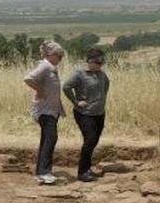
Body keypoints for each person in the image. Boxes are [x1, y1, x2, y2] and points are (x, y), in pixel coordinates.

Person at [62, 47, 110, 182]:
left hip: (99, 113)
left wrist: (99, 102)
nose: (100, 65)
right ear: (89, 61)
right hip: (84, 114)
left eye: (102, 62)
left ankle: (88, 168)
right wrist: (76, 102)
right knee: (90, 139)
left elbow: (105, 88)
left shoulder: (102, 75)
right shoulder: (80, 74)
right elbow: (66, 87)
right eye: (98, 62)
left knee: (94, 140)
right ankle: (82, 172)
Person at [23, 41, 66, 184]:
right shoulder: (45, 66)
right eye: (59, 55)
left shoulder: (52, 68)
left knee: (47, 139)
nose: (60, 58)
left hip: (52, 110)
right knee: (51, 138)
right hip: (45, 110)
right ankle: (44, 172)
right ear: (51, 54)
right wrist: (39, 90)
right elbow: (28, 78)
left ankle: (41, 171)